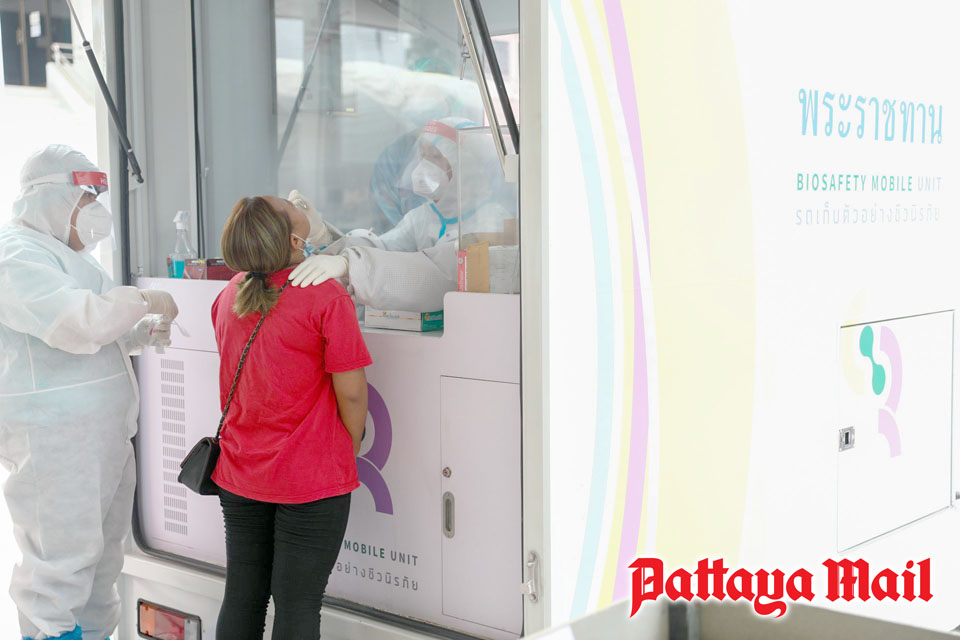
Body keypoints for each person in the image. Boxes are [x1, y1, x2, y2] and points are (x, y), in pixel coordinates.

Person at [0, 144, 180, 640]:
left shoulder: (63, 256)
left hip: (97, 439)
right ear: (48, 198)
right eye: (86, 199)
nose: (96, 212)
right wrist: (140, 298)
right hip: (55, 440)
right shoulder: (15, 255)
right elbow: (76, 323)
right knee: (58, 569)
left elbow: (97, 333)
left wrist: (138, 331)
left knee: (101, 565)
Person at [211, 195, 371, 639]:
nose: (299, 201)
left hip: (240, 471)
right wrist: (346, 448)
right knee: (297, 603)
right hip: (309, 476)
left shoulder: (230, 293)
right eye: (289, 204)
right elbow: (352, 392)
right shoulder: (324, 296)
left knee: (242, 595)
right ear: (293, 237)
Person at [287, 117, 512, 312]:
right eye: (422, 155)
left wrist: (351, 265)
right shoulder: (423, 217)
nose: (424, 165)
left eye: (435, 156)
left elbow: (437, 275)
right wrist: (323, 236)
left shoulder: (490, 221)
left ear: (464, 165)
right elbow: (383, 249)